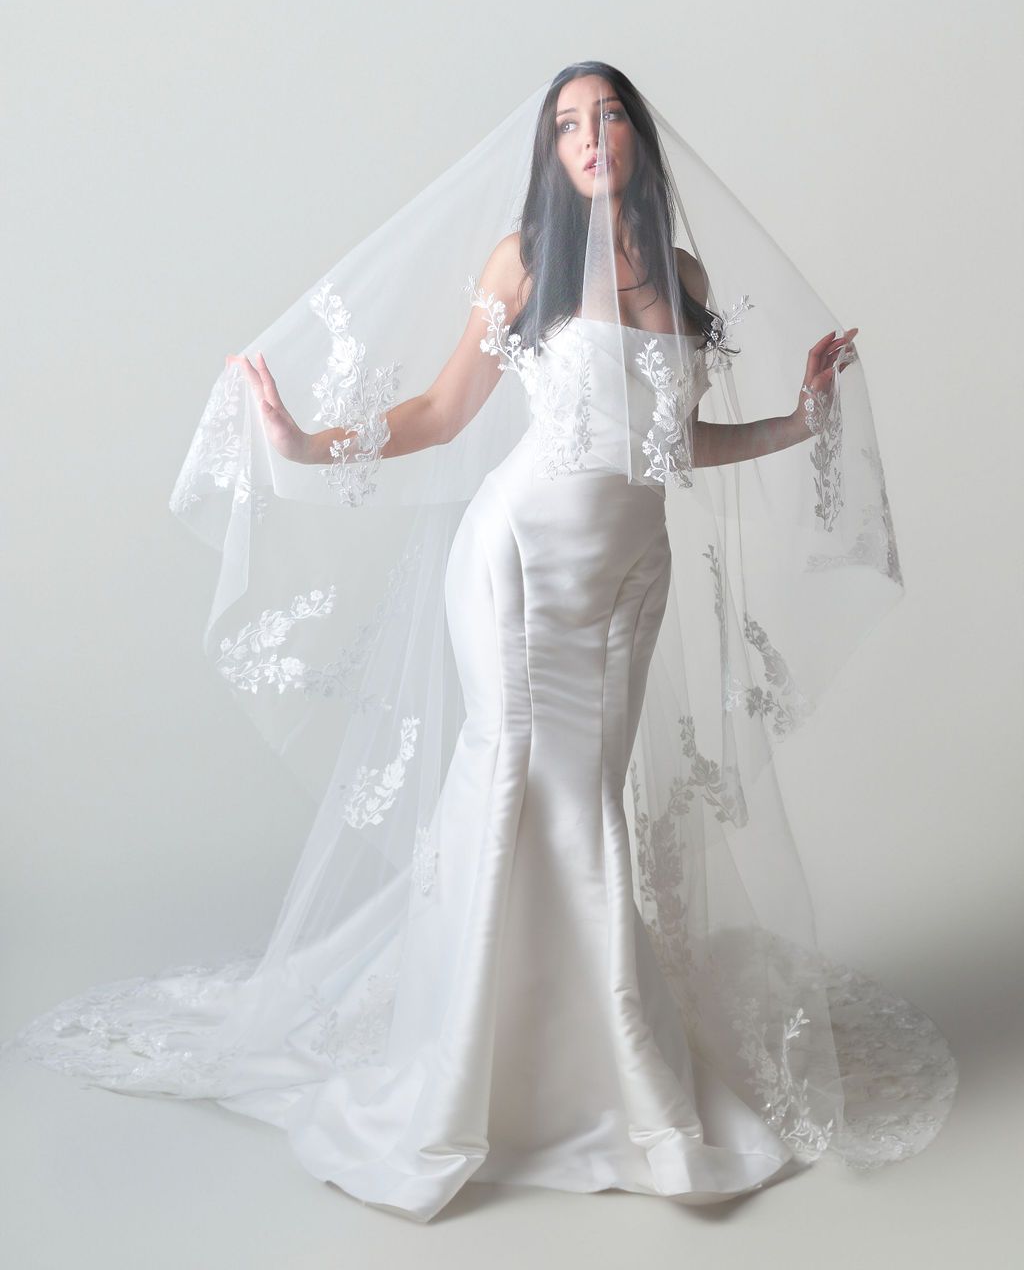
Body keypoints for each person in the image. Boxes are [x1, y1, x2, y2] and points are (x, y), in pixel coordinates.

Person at [1, 62, 957, 1224]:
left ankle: (582, 1059)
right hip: (514, 566)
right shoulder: (524, 259)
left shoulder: (680, 276)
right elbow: (447, 411)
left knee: (589, 799)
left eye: (608, 116)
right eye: (567, 124)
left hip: (629, 577)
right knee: (517, 785)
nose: (590, 136)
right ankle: (484, 1082)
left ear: (639, 140)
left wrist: (802, 420)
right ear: (551, 153)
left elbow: (675, 446)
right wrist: (302, 445)